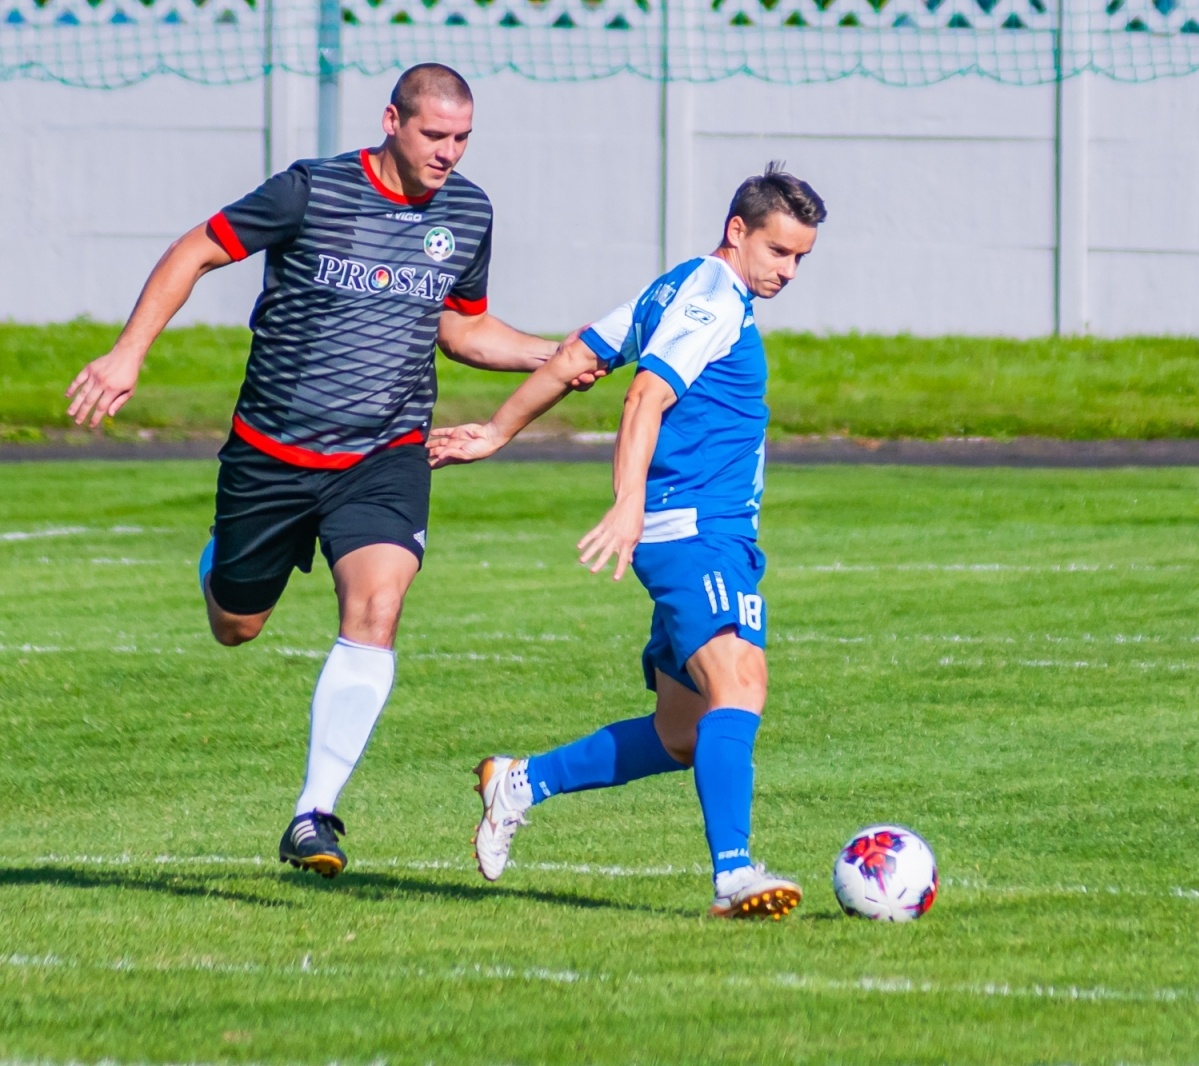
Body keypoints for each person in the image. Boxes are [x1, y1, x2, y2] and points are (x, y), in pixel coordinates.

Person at [65, 63, 596, 879]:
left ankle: (313, 814)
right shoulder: (310, 191)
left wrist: (553, 356)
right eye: (434, 135)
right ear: (392, 121)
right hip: (271, 453)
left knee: (378, 606)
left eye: (462, 138)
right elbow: (196, 249)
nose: (449, 153)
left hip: (383, 454)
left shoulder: (467, 211)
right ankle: (224, 562)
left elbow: (463, 332)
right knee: (236, 624)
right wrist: (130, 350)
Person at [428, 162, 826, 919]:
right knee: (740, 685)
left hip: (695, 533)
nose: (790, 271)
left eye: (802, 257)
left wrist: (495, 431)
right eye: (779, 252)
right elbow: (646, 393)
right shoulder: (712, 301)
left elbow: (578, 356)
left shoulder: (673, 289)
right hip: (696, 534)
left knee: (680, 734)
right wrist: (628, 504)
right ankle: (733, 875)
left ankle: (518, 782)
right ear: (737, 232)